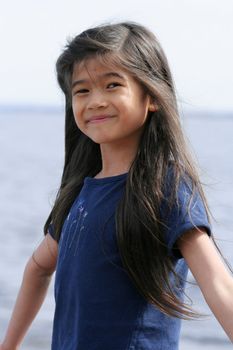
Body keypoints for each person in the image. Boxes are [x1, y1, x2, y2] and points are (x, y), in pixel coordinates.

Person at [1, 21, 233, 350]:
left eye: (112, 85)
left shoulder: (163, 188)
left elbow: (218, 285)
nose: (95, 101)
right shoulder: (77, 194)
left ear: (151, 97)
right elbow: (38, 268)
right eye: (82, 90)